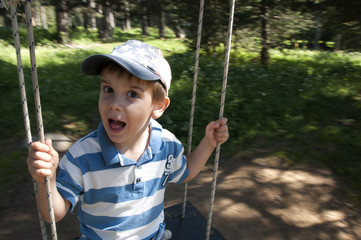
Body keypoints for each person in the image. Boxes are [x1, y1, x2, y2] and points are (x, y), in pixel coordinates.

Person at [27, 39, 229, 240]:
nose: (114, 104)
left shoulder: (166, 145)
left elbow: (185, 172)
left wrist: (209, 143)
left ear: (158, 106)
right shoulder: (82, 156)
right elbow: (55, 213)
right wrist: (47, 180)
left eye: (132, 94)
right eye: (108, 89)